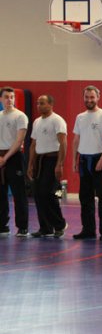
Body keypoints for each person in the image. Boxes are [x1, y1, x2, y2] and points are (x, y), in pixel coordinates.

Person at [71, 85, 102, 240]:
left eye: (92, 97)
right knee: (85, 197)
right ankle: (88, 229)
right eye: (86, 97)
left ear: (98, 97)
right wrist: (74, 160)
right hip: (84, 159)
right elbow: (76, 139)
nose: (89, 100)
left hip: (98, 159)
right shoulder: (80, 117)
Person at [26, 94, 67, 238]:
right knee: (38, 194)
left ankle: (60, 224)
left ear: (51, 104)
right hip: (39, 161)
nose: (39, 106)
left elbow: (63, 143)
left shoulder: (57, 120)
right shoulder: (37, 122)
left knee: (49, 194)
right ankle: (45, 228)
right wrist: (30, 164)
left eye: (42, 103)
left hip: (52, 160)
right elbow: (33, 144)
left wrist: (59, 164)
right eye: (38, 103)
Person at [0, 87, 30, 237]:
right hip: (0, 156)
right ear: (1, 99)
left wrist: (5, 158)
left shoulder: (20, 116)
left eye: (12, 97)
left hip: (14, 157)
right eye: (6, 97)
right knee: (1, 193)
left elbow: (19, 141)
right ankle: (2, 226)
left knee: (19, 193)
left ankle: (22, 227)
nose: (9, 100)